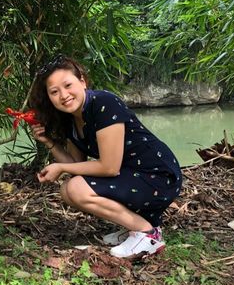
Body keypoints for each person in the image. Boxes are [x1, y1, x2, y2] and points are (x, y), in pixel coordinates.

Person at [28, 55, 182, 258]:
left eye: (68, 85)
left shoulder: (104, 103)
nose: (63, 95)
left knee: (75, 188)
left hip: (158, 176)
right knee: (69, 189)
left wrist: (61, 168)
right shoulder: (71, 119)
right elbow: (77, 165)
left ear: (82, 81)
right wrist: (49, 142)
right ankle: (134, 228)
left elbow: (109, 167)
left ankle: (147, 234)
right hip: (130, 175)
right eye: (54, 92)